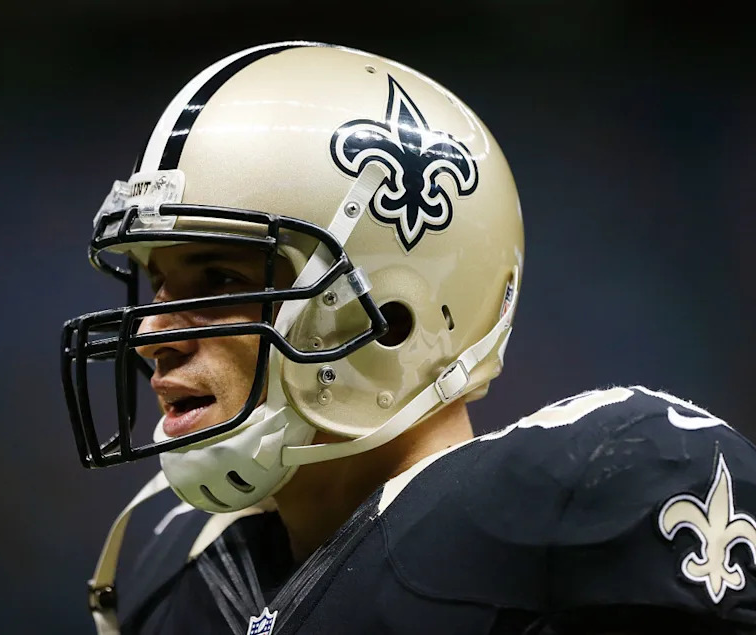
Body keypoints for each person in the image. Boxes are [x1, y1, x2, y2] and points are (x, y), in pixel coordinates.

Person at [60, 42, 756, 634]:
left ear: (391, 315)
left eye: (215, 280)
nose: (153, 335)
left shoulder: (597, 492)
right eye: (159, 287)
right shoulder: (165, 558)